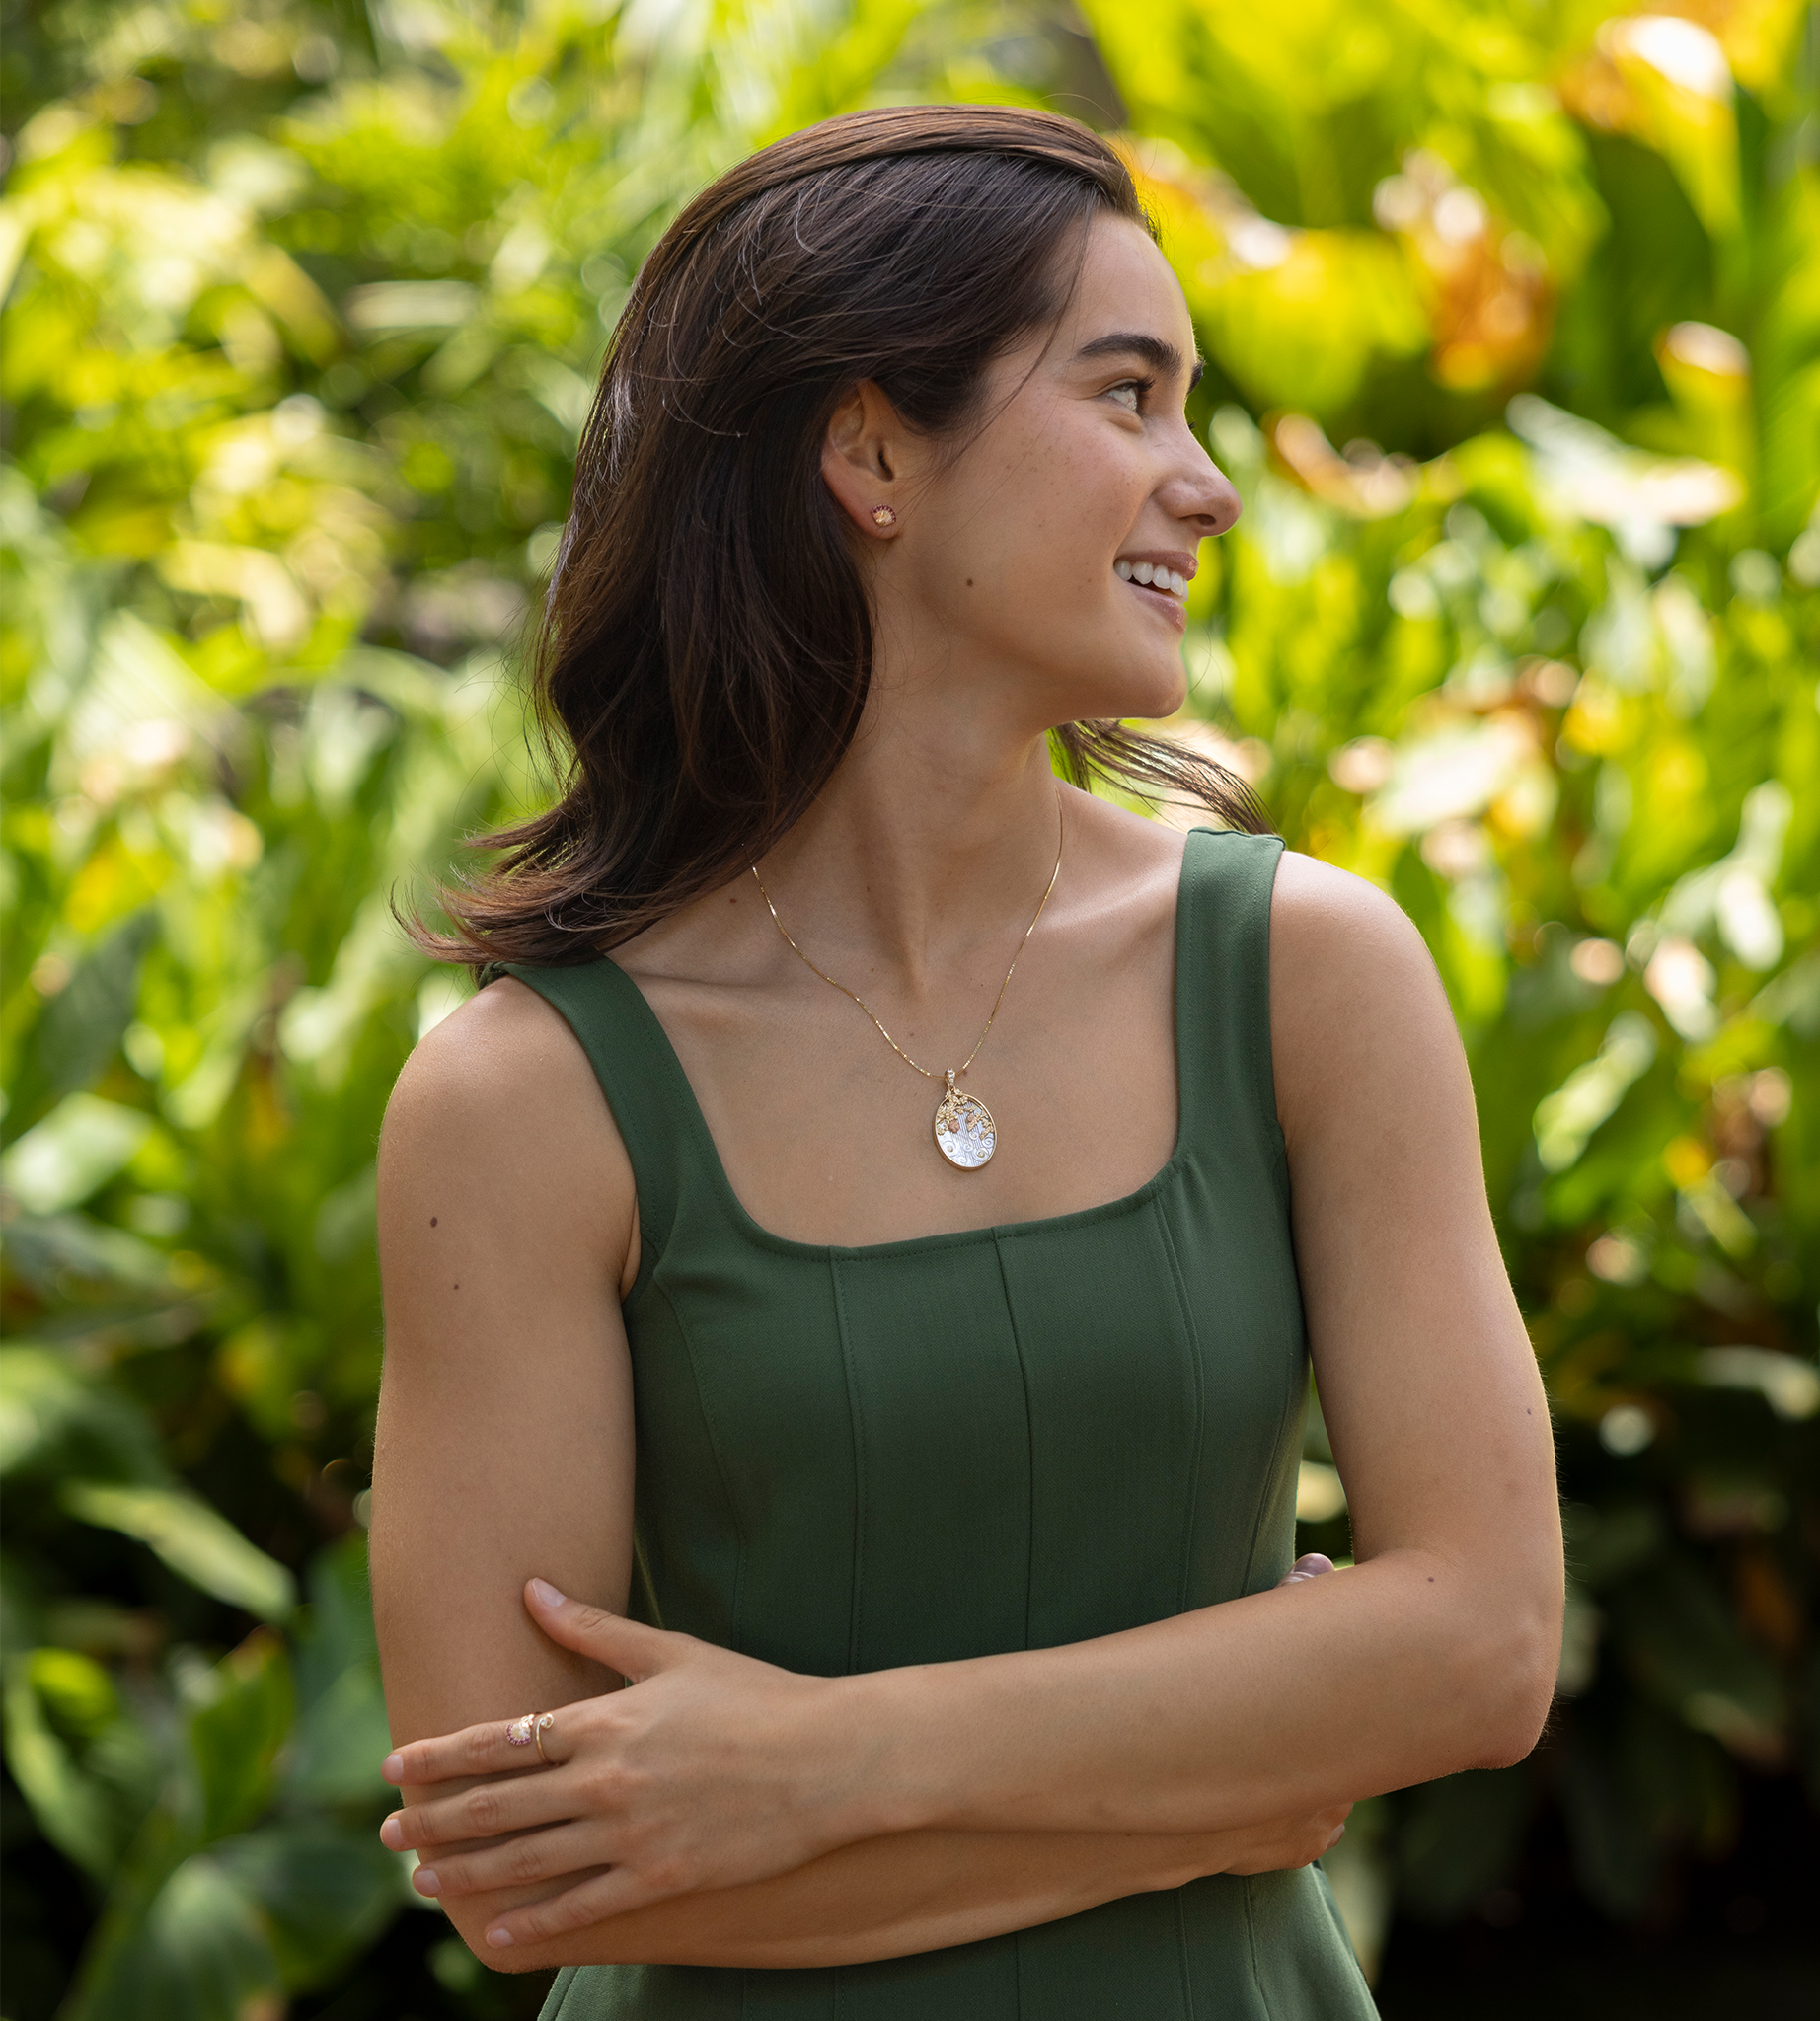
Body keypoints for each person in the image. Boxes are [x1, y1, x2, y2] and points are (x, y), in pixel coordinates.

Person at [369, 103, 1562, 2020]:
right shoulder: (525, 1102)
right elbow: (519, 1857)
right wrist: (1210, 1792)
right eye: (1128, 392)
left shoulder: (1309, 979)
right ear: (868, 450)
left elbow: (1485, 1642)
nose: (1209, 485)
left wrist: (835, 1761)